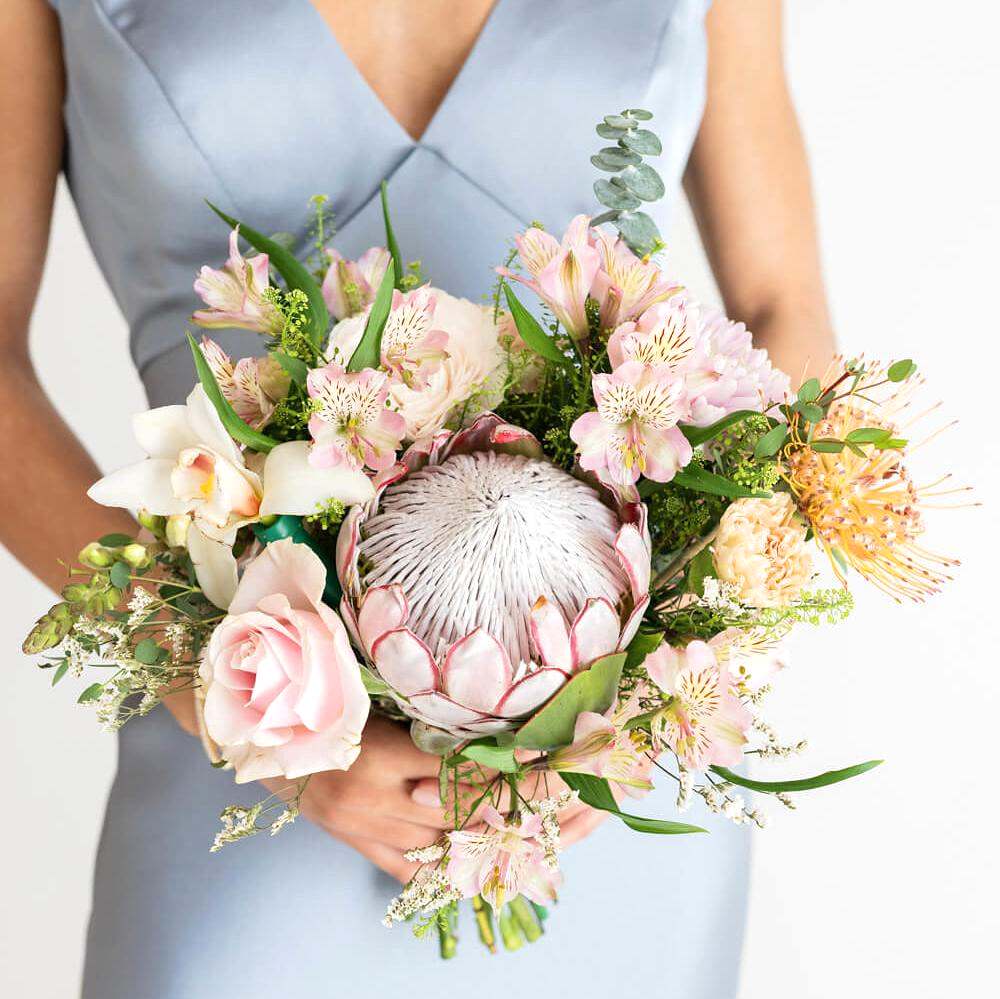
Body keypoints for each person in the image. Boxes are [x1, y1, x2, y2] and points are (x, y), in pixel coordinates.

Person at [0, 1, 835, 995]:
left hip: (601, 790)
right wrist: (240, 711)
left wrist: (661, 681)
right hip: (251, 759)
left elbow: (785, 305)